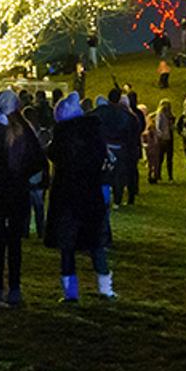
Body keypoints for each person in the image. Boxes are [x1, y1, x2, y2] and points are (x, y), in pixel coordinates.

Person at [0, 89, 46, 307]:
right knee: (15, 242)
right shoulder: (24, 128)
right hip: (17, 190)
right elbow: (38, 159)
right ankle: (14, 288)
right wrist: (23, 174)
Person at [44, 93, 114, 301]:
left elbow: (53, 154)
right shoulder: (93, 135)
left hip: (66, 197)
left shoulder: (62, 137)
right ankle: (105, 288)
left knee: (68, 247)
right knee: (96, 245)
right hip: (90, 195)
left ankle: (71, 292)